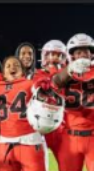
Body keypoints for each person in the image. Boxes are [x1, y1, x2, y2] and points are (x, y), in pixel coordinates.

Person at [52, 33, 94, 171]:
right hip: (70, 137)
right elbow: (55, 82)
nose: (82, 55)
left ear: (91, 54)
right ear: (72, 55)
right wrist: (70, 70)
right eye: (78, 52)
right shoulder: (65, 73)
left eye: (86, 51)